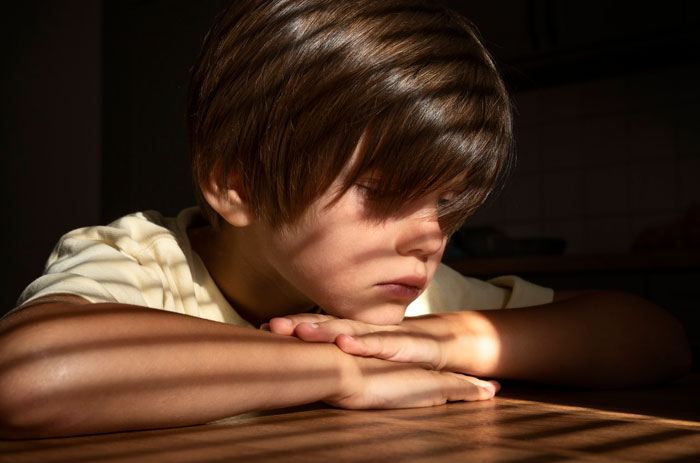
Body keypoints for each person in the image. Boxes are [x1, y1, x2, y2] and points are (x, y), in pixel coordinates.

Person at [0, 0, 690, 439]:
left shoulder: (411, 300)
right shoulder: (142, 260)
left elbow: (654, 340)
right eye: (381, 190)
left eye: (447, 203)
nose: (429, 237)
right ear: (237, 184)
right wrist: (342, 372)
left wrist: (445, 341)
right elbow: (26, 373)